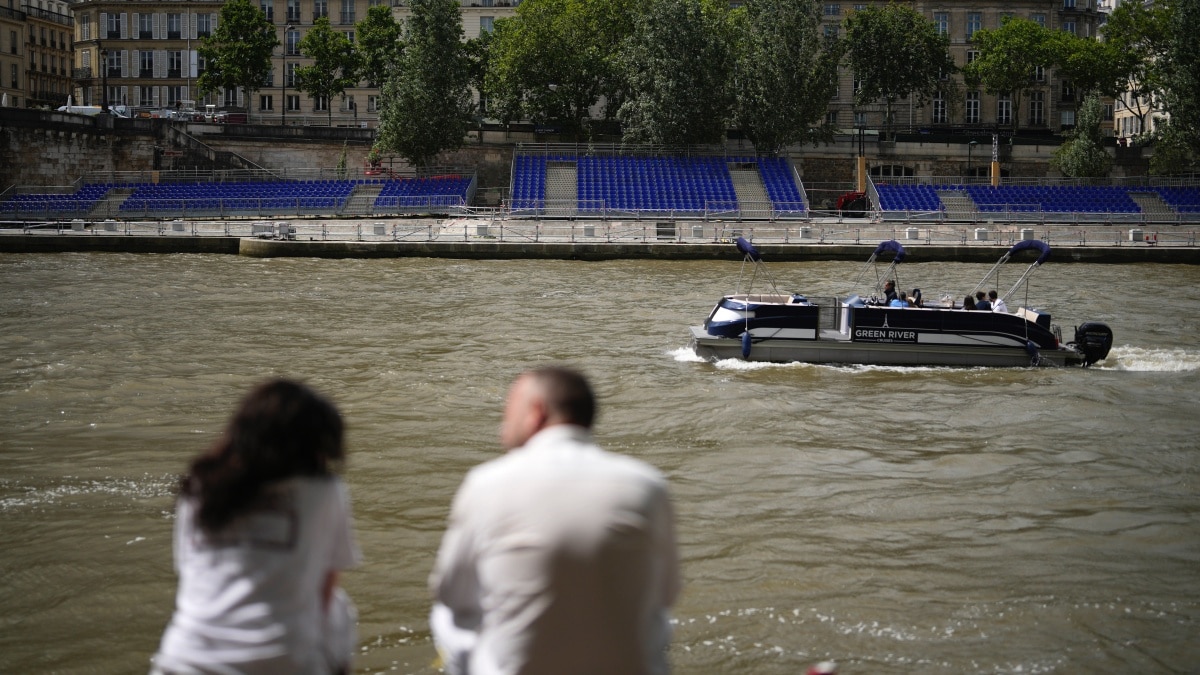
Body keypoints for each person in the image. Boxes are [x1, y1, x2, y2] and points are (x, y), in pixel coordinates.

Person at [430, 367, 680, 675]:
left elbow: (451, 593)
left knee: (447, 615)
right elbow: (668, 594)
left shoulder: (486, 483)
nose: (502, 423)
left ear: (536, 412)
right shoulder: (648, 485)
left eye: (509, 409)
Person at [152, 379, 360, 675]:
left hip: (185, 658)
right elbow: (326, 587)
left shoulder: (199, 486)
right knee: (339, 610)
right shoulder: (323, 491)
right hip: (285, 661)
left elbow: (189, 572)